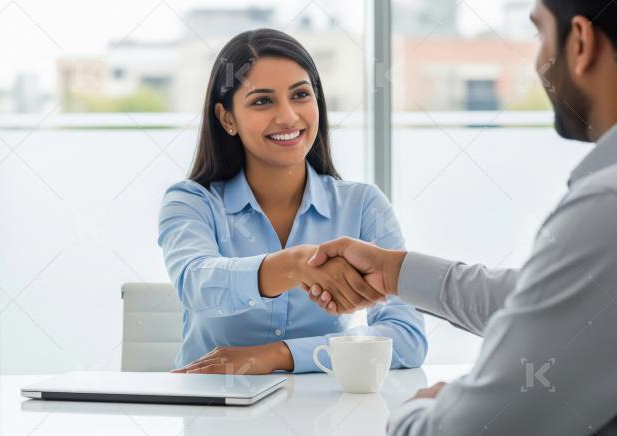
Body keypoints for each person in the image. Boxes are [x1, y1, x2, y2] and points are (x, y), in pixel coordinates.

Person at [303, 0, 617, 434]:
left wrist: (419, 409)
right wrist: (394, 272)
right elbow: (552, 300)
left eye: (540, 34)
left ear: (581, 43)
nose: (536, 61)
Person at [157, 28, 427, 375]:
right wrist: (294, 264)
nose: (288, 116)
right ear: (227, 118)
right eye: (262, 101)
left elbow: (406, 337)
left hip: (324, 416)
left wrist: (278, 355)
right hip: (213, 412)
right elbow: (196, 285)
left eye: (300, 94)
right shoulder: (191, 202)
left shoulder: (362, 204)